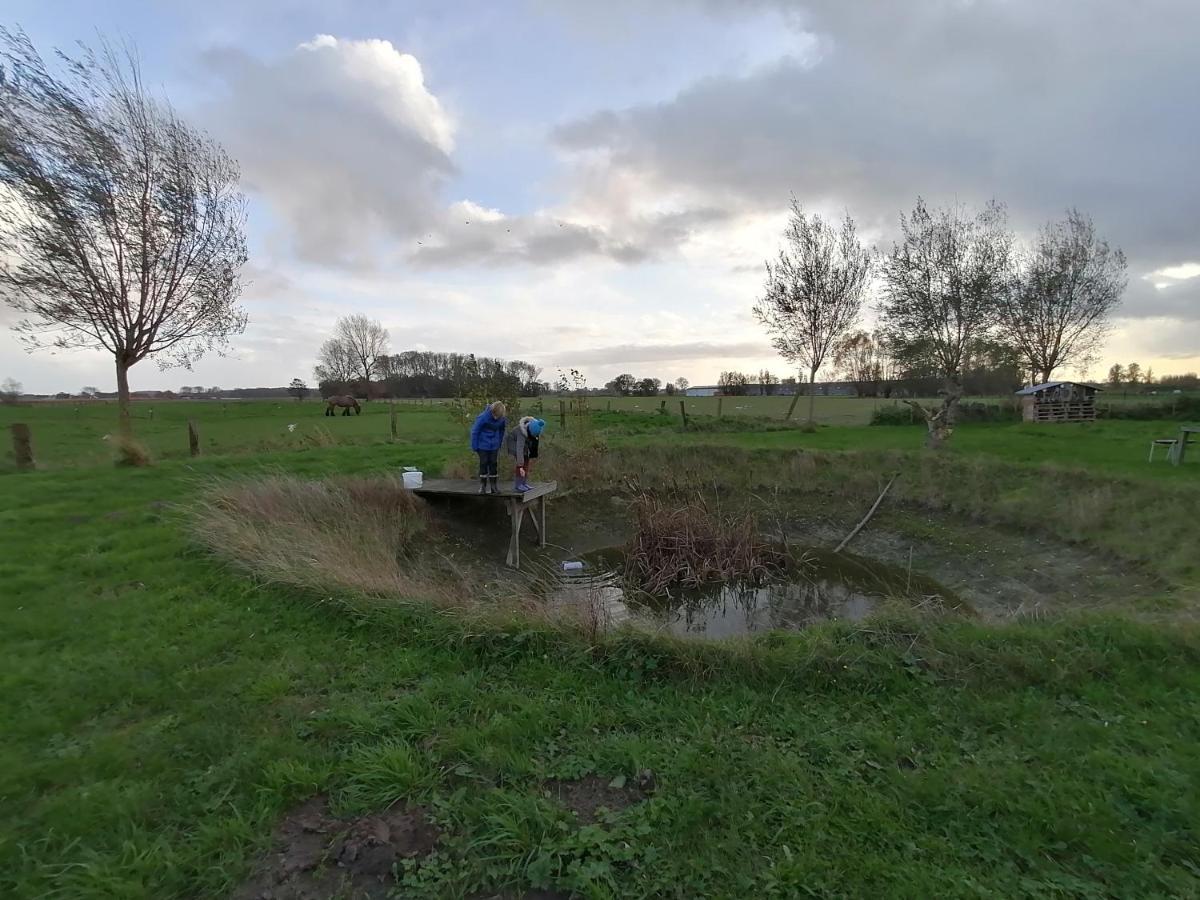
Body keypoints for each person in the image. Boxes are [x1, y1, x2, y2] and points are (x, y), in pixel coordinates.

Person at [469, 401, 506, 494]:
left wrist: (499, 442)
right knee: (483, 463)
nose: (496, 418)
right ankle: (483, 486)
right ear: (492, 412)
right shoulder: (483, 417)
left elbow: (502, 430)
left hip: (494, 445)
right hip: (483, 445)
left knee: (493, 464)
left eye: (498, 416)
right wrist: (474, 446)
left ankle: (494, 486)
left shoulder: (502, 419)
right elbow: (475, 431)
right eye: (495, 415)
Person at [504, 416, 545, 492]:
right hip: (515, 446)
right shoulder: (521, 432)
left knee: (526, 462)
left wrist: (531, 454)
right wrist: (520, 465)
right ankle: (518, 484)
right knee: (521, 464)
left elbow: (533, 444)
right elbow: (519, 449)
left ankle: (524, 482)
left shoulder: (534, 429)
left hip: (524, 447)